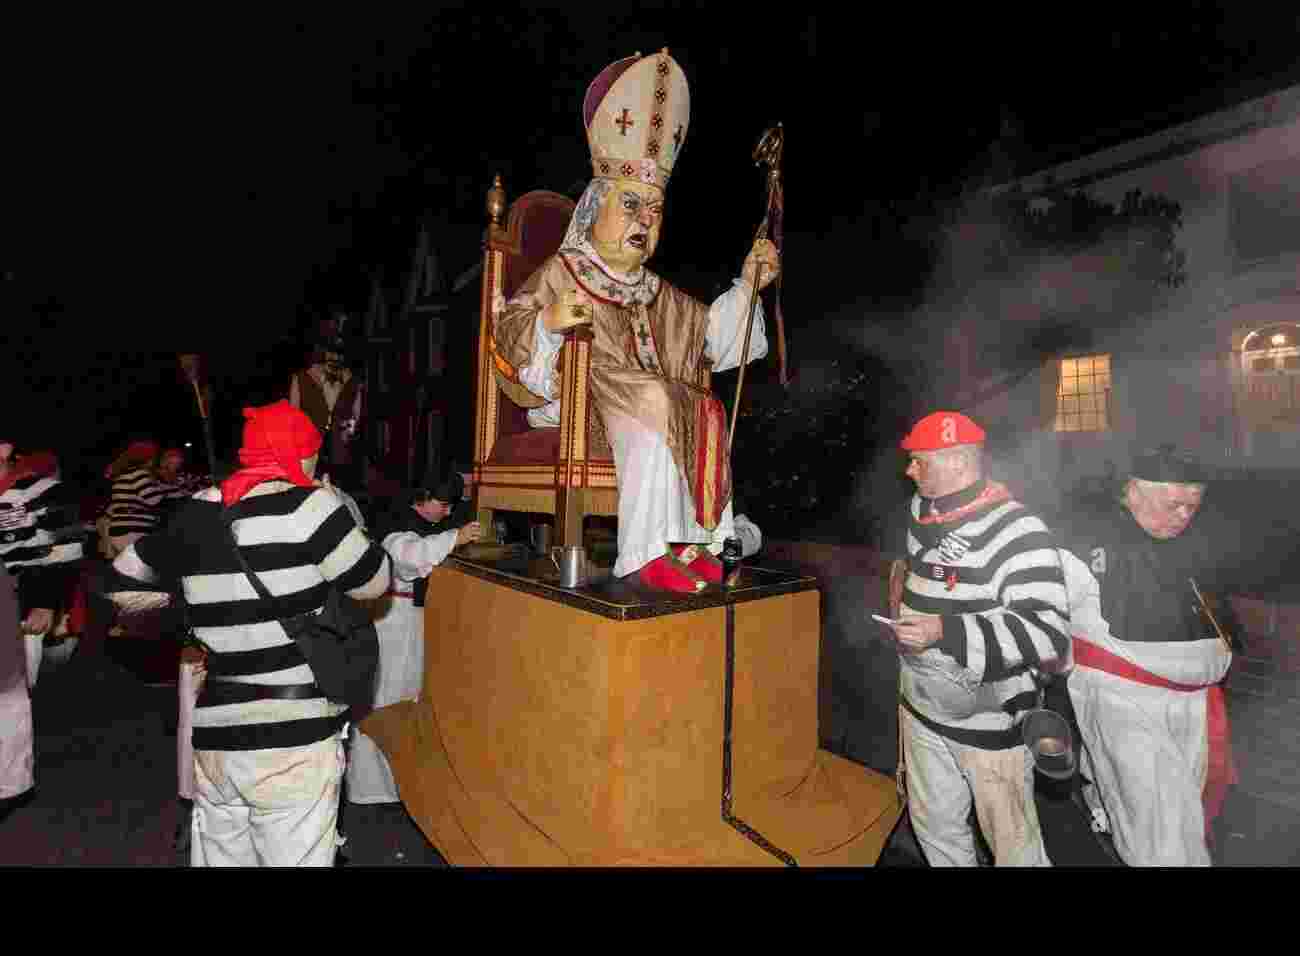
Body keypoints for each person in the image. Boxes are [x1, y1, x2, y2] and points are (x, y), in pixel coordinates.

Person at [491, 50, 779, 594]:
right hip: (570, 403)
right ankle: (644, 555)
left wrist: (747, 284)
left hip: (638, 401)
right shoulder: (565, 269)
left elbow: (714, 342)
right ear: (594, 206)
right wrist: (551, 321)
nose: (645, 221)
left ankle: (701, 545)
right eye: (631, 204)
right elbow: (509, 332)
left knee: (702, 404)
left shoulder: (657, 292)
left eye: (655, 210)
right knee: (654, 398)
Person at [107, 400, 390, 866]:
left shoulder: (197, 512)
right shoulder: (311, 507)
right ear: (297, 455)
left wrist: (191, 614)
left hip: (218, 734)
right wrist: (337, 507)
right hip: (294, 735)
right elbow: (375, 579)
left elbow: (121, 582)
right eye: (312, 454)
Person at [882, 411, 1069, 866]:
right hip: (922, 711)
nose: (908, 470)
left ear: (960, 463)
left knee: (1013, 845)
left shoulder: (1018, 531)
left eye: (919, 461)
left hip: (989, 722)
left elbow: (1048, 634)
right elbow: (923, 576)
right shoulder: (921, 512)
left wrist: (945, 630)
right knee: (936, 831)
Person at [1052, 447, 1238, 866]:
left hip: (1195, 706)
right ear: (1134, 492)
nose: (1184, 515)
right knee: (1154, 827)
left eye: (1193, 505)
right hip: (1128, 704)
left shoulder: (1196, 543)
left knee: (1186, 818)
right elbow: (1049, 623)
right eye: (1174, 503)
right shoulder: (1083, 545)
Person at [346, 468, 483, 805]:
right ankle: (372, 789)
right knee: (387, 698)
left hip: (409, 622)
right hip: (394, 622)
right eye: (443, 504)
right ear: (422, 499)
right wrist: (455, 537)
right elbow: (408, 558)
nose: (448, 511)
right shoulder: (395, 523)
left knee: (406, 696)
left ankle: (397, 784)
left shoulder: (423, 524)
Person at [104, 440, 165, 557]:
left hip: (123, 528)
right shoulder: (139, 474)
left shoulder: (125, 474)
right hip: (134, 530)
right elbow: (154, 500)